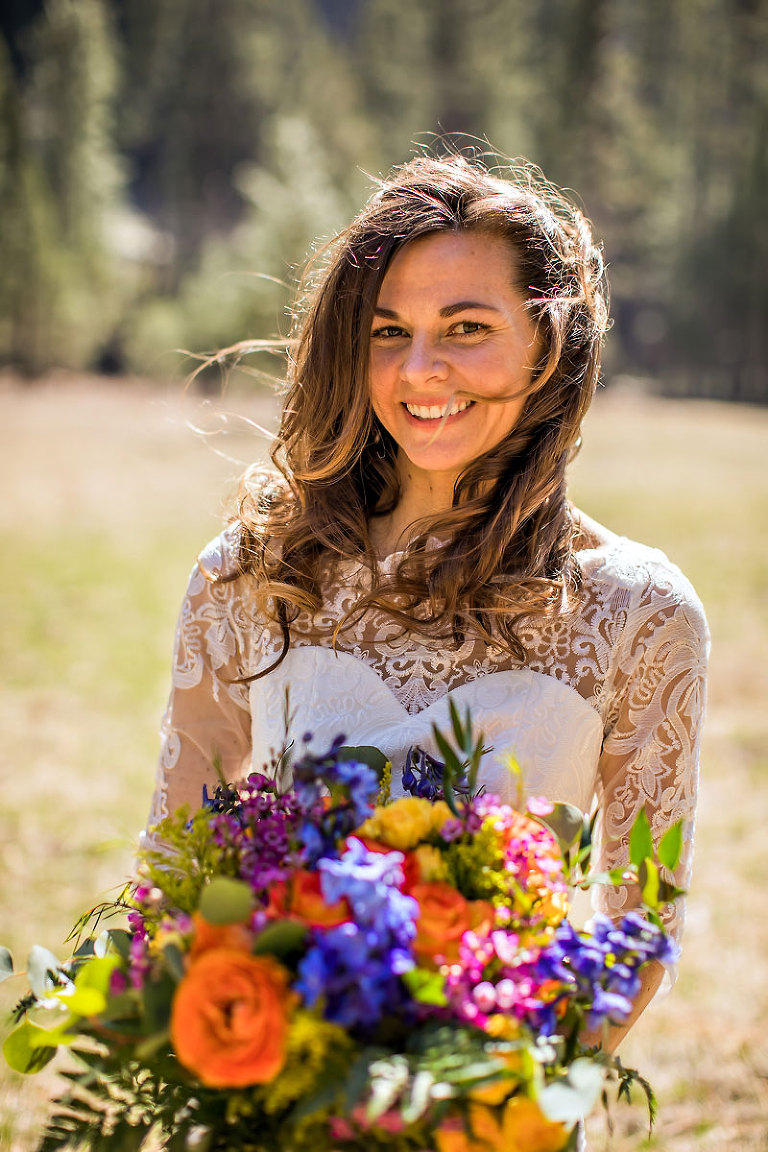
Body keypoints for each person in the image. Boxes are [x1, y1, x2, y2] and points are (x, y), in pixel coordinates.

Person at [147, 154, 709, 1056]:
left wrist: (494, 1104)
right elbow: (176, 877)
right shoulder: (250, 577)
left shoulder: (640, 612)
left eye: (467, 327)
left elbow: (640, 925)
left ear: (550, 343)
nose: (420, 371)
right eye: (386, 331)